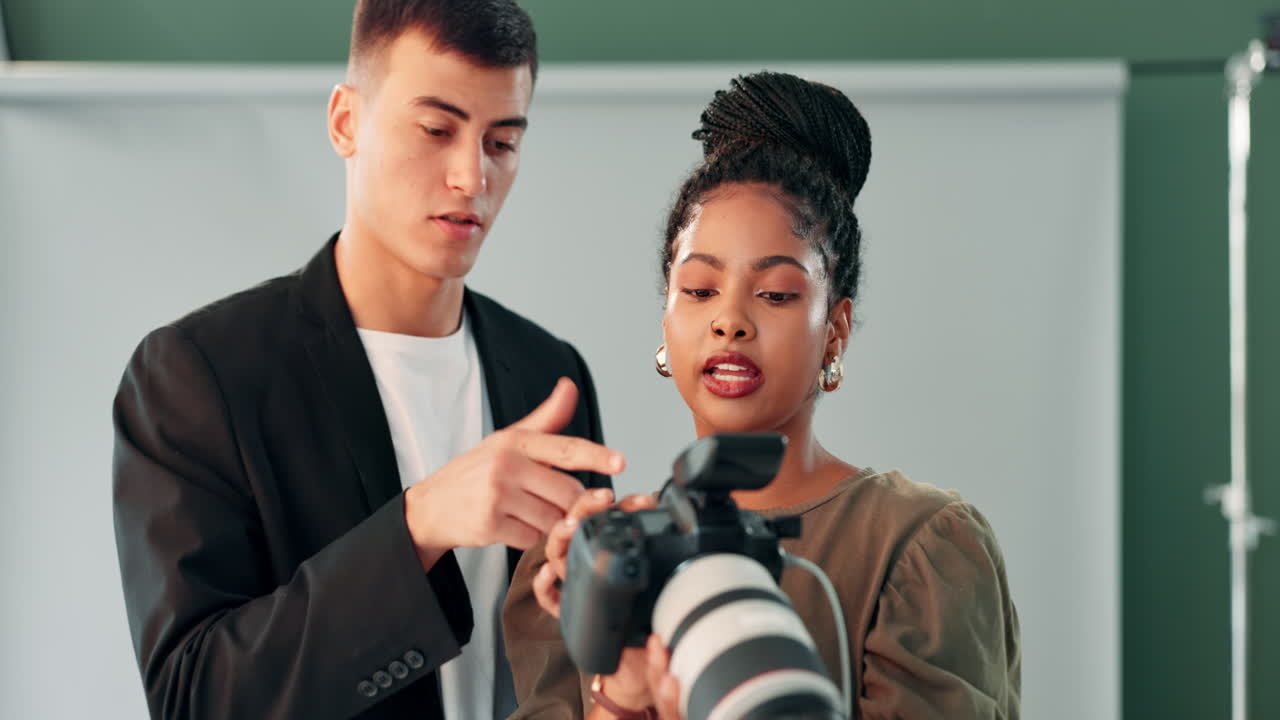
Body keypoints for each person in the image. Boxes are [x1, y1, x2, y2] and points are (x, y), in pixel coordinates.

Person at [111, 1, 625, 718]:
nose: (470, 178)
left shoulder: (547, 372)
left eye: (501, 143)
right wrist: (419, 526)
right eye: (437, 130)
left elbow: (573, 672)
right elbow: (194, 697)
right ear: (346, 120)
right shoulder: (198, 374)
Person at [503, 71, 1021, 719]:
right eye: (698, 290)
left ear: (835, 331)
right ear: (665, 322)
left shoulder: (915, 546)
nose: (730, 321)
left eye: (775, 294)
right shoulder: (598, 561)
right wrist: (625, 693)